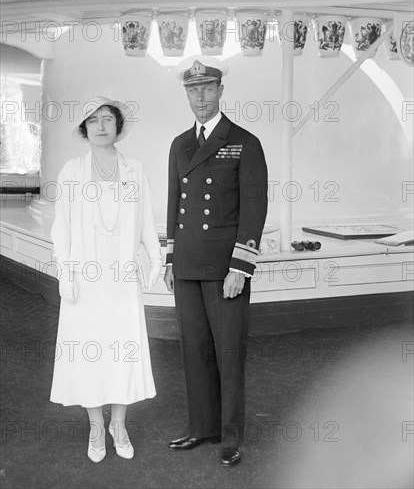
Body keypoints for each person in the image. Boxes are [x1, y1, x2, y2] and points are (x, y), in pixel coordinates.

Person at [164, 56, 268, 467]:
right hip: (188, 265)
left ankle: (229, 436)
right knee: (195, 351)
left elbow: (254, 208)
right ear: (187, 94)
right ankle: (201, 427)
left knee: (227, 352)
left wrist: (240, 268)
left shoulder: (244, 141)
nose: (200, 96)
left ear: (221, 91)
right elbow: (174, 205)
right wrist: (171, 259)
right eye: (193, 89)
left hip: (226, 269)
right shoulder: (179, 144)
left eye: (207, 88)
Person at [50, 96, 162, 463]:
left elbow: (145, 220)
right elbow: (62, 228)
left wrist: (156, 258)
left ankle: (119, 424)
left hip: (122, 277)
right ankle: (96, 426)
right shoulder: (71, 171)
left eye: (108, 119)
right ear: (84, 128)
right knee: (88, 350)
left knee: (122, 350)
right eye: (93, 120)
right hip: (85, 276)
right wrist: (65, 272)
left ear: (118, 126)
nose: (101, 125)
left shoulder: (134, 170)